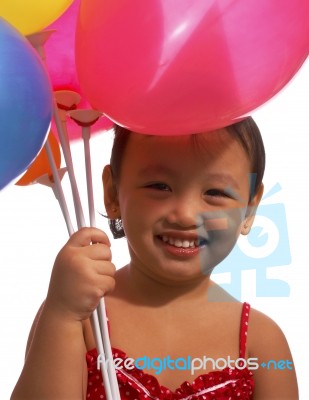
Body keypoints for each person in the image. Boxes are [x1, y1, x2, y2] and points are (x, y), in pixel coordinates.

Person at [11, 117, 298, 400]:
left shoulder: (261, 343)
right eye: (159, 186)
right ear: (112, 194)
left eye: (215, 192)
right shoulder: (82, 316)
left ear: (249, 210)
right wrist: (62, 315)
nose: (185, 214)